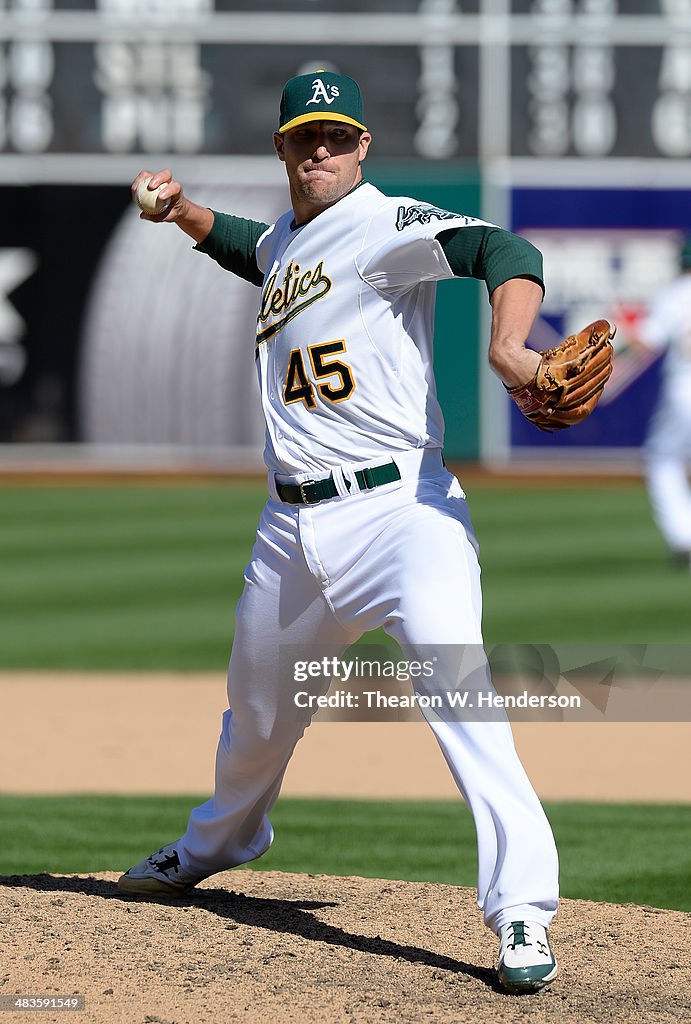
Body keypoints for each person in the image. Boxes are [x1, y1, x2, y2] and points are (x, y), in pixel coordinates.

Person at [118, 70, 559, 993]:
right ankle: (223, 841)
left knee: (462, 700)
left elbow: (502, 247)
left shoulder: (388, 223)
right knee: (256, 724)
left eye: (336, 136)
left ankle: (520, 909)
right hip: (291, 531)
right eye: (303, 136)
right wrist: (185, 212)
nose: (320, 150)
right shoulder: (289, 237)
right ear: (282, 148)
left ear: (362, 147)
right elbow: (253, 248)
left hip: (404, 517)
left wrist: (511, 346)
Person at [630, 236, 691, 568]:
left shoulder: (678, 292)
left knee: (663, 459)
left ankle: (683, 536)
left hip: (686, 387)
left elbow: (646, 341)